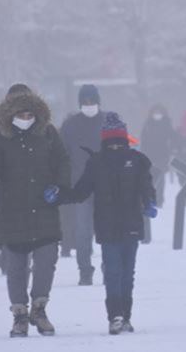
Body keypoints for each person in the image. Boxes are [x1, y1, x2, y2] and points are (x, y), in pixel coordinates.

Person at [0, 84, 71, 338]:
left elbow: (63, 161)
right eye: (20, 115)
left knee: (46, 262)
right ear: (9, 113)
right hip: (12, 211)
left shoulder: (48, 133)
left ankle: (39, 309)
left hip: (44, 208)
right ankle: (19, 315)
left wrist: (61, 187)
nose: (26, 120)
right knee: (15, 267)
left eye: (30, 115)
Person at [70, 112, 157, 335]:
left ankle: (125, 315)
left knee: (127, 272)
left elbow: (146, 186)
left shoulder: (136, 161)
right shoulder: (97, 162)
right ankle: (115, 315)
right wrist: (61, 195)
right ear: (106, 140)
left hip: (131, 225)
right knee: (113, 271)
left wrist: (150, 203)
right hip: (108, 227)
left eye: (120, 142)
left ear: (125, 140)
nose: (116, 147)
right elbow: (81, 190)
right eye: (112, 142)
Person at [59, 84, 105, 284]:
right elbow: (62, 155)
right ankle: (85, 270)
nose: (89, 105)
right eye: (85, 101)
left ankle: (108, 268)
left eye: (92, 101)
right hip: (80, 186)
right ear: (80, 103)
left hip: (106, 186)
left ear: (98, 102)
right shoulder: (70, 125)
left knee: (106, 231)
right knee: (83, 231)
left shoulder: (108, 122)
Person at [140, 104, 175, 206]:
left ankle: (159, 200)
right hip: (149, 154)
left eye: (159, 113)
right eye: (155, 112)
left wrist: (172, 149)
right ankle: (149, 198)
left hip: (162, 155)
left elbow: (173, 138)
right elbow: (144, 140)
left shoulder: (167, 124)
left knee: (160, 178)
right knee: (149, 178)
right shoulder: (147, 124)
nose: (157, 115)